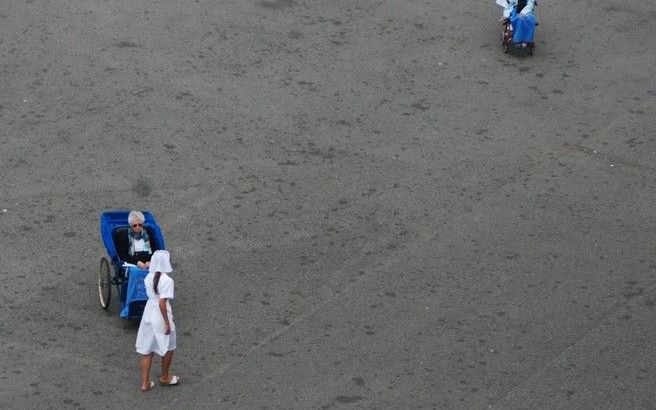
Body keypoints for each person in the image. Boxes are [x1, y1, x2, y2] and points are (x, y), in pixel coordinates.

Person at [135, 250, 180, 391]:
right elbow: (162, 303)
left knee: (147, 349)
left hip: (149, 313)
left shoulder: (149, 277)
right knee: (168, 347)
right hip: (160, 314)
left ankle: (145, 383)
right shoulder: (167, 281)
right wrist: (167, 323)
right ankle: (165, 377)